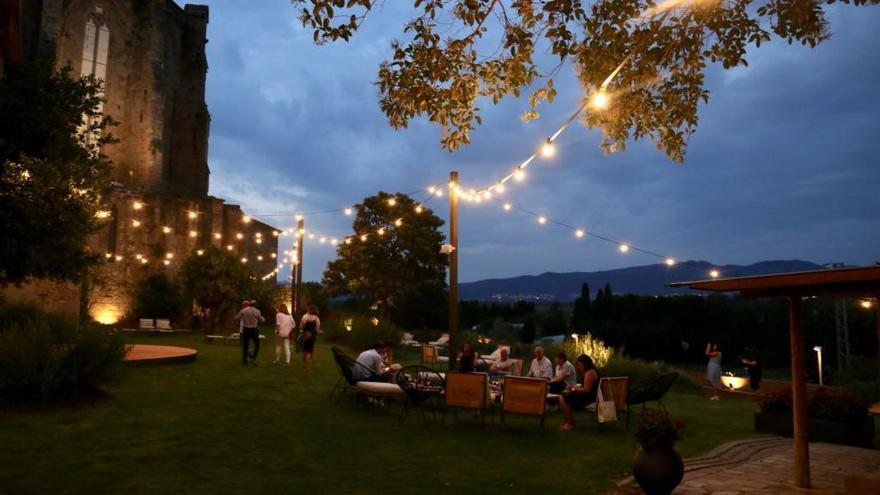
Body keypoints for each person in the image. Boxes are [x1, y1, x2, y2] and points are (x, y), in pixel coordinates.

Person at [559, 354, 600, 431]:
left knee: (564, 398)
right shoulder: (589, 372)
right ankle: (568, 421)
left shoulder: (590, 373)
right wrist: (573, 388)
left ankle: (570, 423)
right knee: (563, 396)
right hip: (587, 395)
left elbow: (587, 389)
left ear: (585, 364)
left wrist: (573, 389)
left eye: (579, 365)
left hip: (589, 397)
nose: (578, 367)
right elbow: (585, 387)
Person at [234, 299, 265, 365]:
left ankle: (245, 360)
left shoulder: (244, 310)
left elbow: (237, 317)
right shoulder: (257, 311)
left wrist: (236, 318)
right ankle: (254, 358)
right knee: (257, 344)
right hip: (254, 329)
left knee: (245, 345)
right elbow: (261, 320)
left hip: (246, 329)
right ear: (255, 304)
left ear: (249, 304)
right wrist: (263, 319)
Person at [300, 303, 321, 375]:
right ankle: (308, 369)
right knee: (310, 351)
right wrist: (318, 332)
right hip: (312, 336)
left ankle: (305, 366)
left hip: (305, 335)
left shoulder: (305, 316)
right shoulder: (316, 318)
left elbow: (301, 326)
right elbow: (317, 329)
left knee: (305, 350)